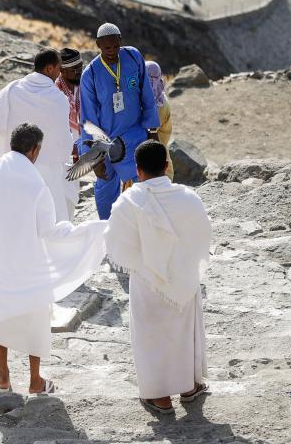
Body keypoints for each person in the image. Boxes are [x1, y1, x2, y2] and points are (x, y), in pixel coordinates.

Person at [0, 124, 108, 395]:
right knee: (34, 317)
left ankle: (3, 377)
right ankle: (35, 380)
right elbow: (49, 231)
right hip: (28, 261)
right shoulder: (35, 183)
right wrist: (90, 230)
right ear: (34, 150)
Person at [106, 140, 211, 414]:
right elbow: (202, 236)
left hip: (146, 281)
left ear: (138, 171)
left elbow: (116, 245)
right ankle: (189, 387)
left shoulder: (127, 201)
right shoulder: (189, 197)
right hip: (183, 278)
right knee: (183, 332)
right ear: (167, 166)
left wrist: (145, 262)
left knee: (151, 337)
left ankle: (160, 397)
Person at [0, 49, 76, 222]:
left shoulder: (11, 90)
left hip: (14, 165)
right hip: (47, 171)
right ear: (49, 69)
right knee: (48, 218)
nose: (61, 72)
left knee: (16, 216)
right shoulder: (57, 99)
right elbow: (63, 141)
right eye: (59, 67)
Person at [79, 23, 159, 220]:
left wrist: (153, 128)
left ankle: (148, 226)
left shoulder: (133, 57)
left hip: (135, 135)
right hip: (106, 143)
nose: (112, 51)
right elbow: (88, 118)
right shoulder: (90, 75)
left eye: (115, 46)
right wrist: (93, 159)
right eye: (107, 48)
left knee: (145, 185)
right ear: (98, 44)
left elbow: (146, 95)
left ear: (120, 41)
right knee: (105, 189)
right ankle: (108, 232)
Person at [145, 61, 174, 180]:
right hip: (163, 137)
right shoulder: (163, 98)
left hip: (151, 144)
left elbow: (151, 134)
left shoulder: (148, 102)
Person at [55, 48, 82, 141]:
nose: (79, 72)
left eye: (80, 67)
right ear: (62, 70)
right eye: (74, 70)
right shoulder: (54, 90)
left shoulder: (86, 83)